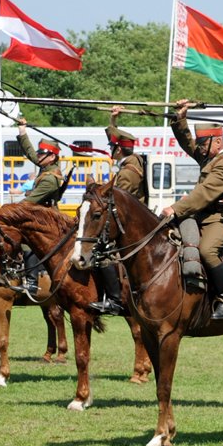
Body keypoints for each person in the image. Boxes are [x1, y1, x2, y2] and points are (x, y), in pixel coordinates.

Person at [162, 99, 223, 320]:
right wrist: (180, 118)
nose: (200, 149)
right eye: (201, 145)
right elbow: (188, 143)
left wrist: (175, 208)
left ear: (218, 141)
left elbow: (203, 193)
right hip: (200, 216)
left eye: (204, 145)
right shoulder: (210, 156)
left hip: (218, 219)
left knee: (206, 251)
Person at [89, 106, 148, 316]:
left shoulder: (127, 174)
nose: (110, 151)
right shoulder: (130, 164)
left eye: (112, 147)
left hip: (129, 223)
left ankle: (114, 300)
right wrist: (113, 119)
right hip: (128, 220)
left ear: (119, 150)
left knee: (102, 254)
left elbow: (117, 202)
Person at [16, 119, 64, 206]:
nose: (38, 155)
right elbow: (30, 152)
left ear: (52, 157)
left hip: (45, 218)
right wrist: (22, 130)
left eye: (42, 154)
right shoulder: (48, 167)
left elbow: (27, 203)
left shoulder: (49, 179)